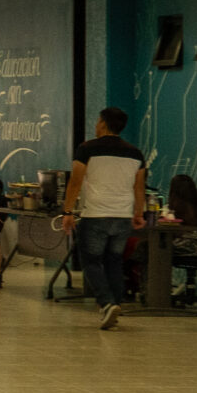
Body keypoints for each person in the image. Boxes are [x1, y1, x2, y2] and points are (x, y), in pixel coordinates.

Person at [64, 105, 148, 329]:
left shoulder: (86, 149)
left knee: (91, 261)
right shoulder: (135, 153)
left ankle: (107, 302)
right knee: (114, 262)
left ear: (102, 123)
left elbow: (75, 182)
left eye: (97, 121)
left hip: (96, 214)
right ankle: (114, 305)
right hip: (122, 215)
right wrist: (138, 213)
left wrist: (67, 211)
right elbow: (139, 187)